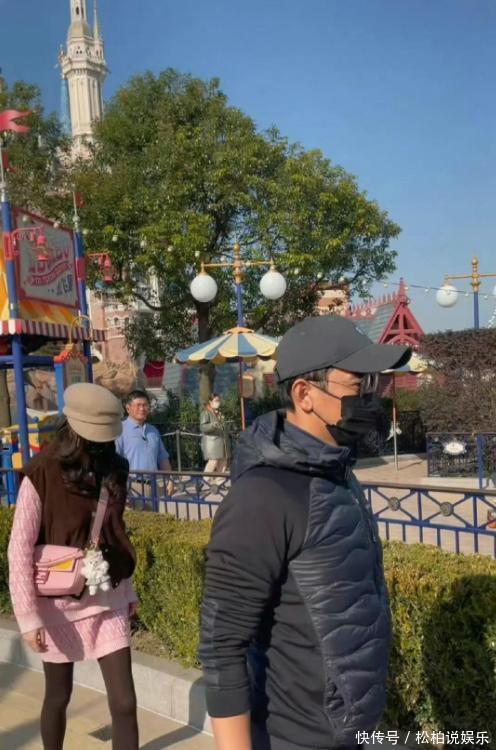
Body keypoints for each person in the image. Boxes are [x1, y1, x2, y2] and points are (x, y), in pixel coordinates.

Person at [199, 315, 411, 750]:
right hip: (294, 737)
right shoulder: (262, 496)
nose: (371, 396)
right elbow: (222, 645)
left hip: (352, 731)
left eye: (374, 383)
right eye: (358, 384)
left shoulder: (336, 472)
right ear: (304, 393)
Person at [8, 383, 139, 750]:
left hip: (106, 597)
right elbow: (19, 548)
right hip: (57, 603)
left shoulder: (114, 469)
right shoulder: (42, 473)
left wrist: (129, 589)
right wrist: (28, 618)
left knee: (125, 702)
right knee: (58, 696)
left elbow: (114, 535)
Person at [116, 389, 173, 506]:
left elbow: (162, 458)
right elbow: (113, 461)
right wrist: (120, 488)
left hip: (153, 486)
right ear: (128, 408)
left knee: (154, 518)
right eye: (138, 405)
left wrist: (170, 478)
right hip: (131, 488)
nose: (142, 408)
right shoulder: (120, 430)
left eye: (145, 405)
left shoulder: (153, 431)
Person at [200, 393, 231, 475]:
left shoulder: (219, 413)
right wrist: (213, 425)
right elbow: (203, 427)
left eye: (219, 400)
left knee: (223, 461)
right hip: (212, 442)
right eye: (216, 400)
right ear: (210, 401)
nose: (218, 402)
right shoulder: (205, 413)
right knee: (213, 462)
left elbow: (223, 426)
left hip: (222, 442)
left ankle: (219, 480)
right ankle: (206, 479)